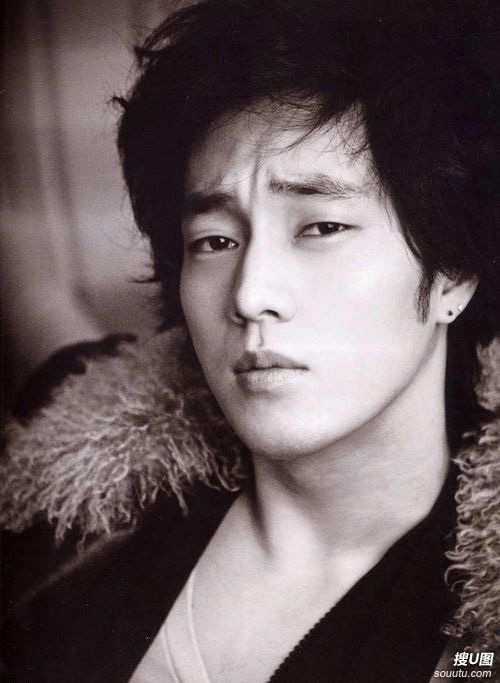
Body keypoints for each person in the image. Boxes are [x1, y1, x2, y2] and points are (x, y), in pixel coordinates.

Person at [2, 0, 500, 681]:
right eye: (214, 241)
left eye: (321, 228)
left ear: (451, 272)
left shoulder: (477, 640)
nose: (248, 293)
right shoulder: (89, 480)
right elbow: (37, 315)